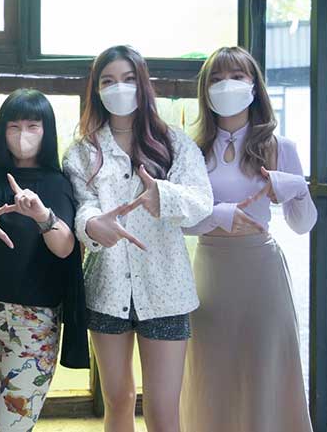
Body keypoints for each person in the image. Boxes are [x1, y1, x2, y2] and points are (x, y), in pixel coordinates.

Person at [62, 45, 212, 432]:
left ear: (143, 84)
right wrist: (92, 225)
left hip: (166, 290)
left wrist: (164, 195)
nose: (120, 88)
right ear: (96, 90)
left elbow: (201, 202)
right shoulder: (82, 152)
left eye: (128, 79)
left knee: (162, 408)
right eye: (108, 81)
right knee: (118, 399)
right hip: (107, 288)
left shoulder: (175, 143)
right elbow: (82, 205)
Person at [180, 46, 316, 432]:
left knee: (264, 367)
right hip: (210, 270)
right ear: (205, 91)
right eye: (217, 78)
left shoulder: (280, 146)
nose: (227, 85)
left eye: (237, 76)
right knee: (210, 370)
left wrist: (297, 188)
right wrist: (220, 215)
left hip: (261, 270)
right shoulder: (191, 150)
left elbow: (303, 224)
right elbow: (180, 221)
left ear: (254, 85)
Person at [0, 88, 89, 431]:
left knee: (11, 424)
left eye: (32, 126)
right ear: (2, 131)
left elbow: (65, 247)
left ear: (46, 131)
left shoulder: (57, 184)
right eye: (13, 126)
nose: (22, 134)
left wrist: (43, 216)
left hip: (33, 322)